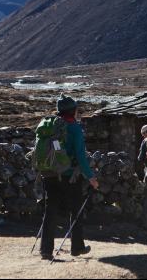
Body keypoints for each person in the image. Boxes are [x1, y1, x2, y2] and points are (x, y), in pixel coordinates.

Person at [40, 94, 99, 260]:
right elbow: (80, 156)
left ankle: (45, 249)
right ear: (73, 111)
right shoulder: (74, 128)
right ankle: (77, 247)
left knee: (50, 211)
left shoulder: (50, 125)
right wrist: (91, 177)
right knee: (76, 210)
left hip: (49, 173)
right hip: (69, 175)